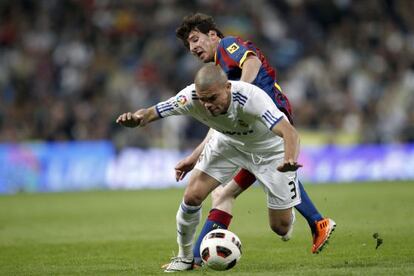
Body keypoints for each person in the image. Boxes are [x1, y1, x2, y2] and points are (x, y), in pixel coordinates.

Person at [174, 12, 335, 262]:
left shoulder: (227, 47)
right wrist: (195, 156)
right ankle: (195, 258)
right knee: (225, 195)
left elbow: (252, 63)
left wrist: (241, 91)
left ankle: (317, 221)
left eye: (196, 39)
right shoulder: (216, 78)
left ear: (213, 35)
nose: (192, 47)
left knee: (226, 192)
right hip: (249, 133)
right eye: (188, 44)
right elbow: (219, 126)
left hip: (268, 126)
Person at [117, 64, 303, 272]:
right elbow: (151, 112)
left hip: (269, 152)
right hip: (229, 143)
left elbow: (290, 132)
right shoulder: (191, 97)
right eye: (203, 99)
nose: (207, 105)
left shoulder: (251, 98)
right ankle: (184, 257)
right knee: (192, 195)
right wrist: (137, 119)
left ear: (227, 87)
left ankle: (287, 212)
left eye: (212, 98)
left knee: (280, 227)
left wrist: (289, 159)